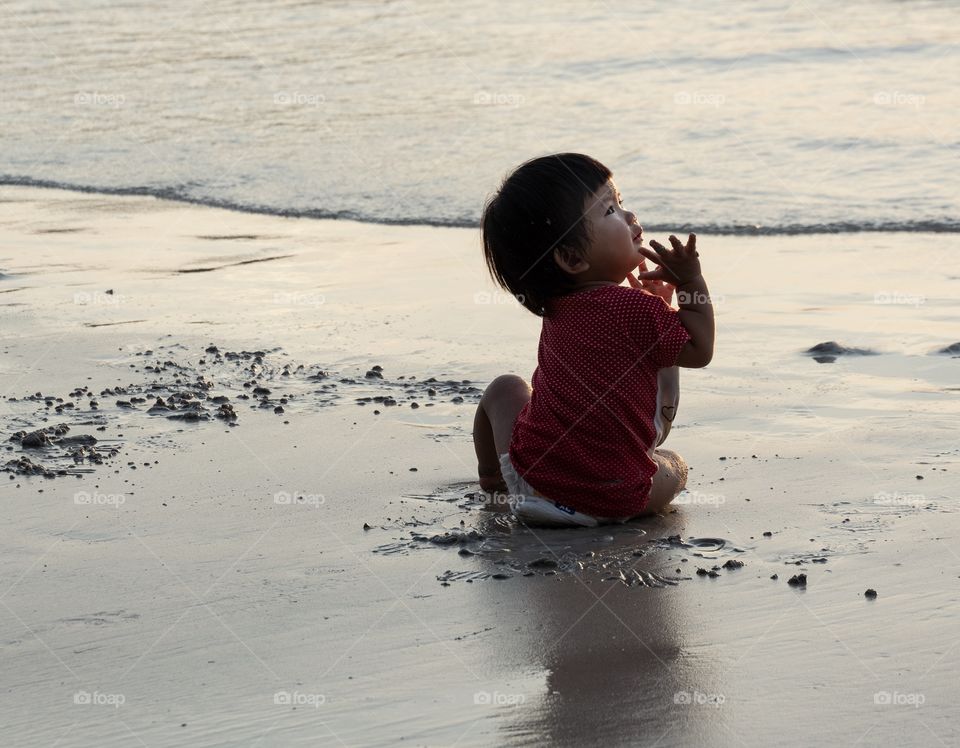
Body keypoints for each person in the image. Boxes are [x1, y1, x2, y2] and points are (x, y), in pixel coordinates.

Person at [473, 153, 715, 527]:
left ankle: (493, 479)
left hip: (532, 485)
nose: (630, 216)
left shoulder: (556, 304)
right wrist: (691, 284)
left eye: (620, 201)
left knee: (504, 388)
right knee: (673, 464)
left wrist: (655, 306)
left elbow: (614, 341)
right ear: (571, 258)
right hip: (608, 498)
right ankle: (603, 492)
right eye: (610, 211)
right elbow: (699, 351)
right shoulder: (634, 309)